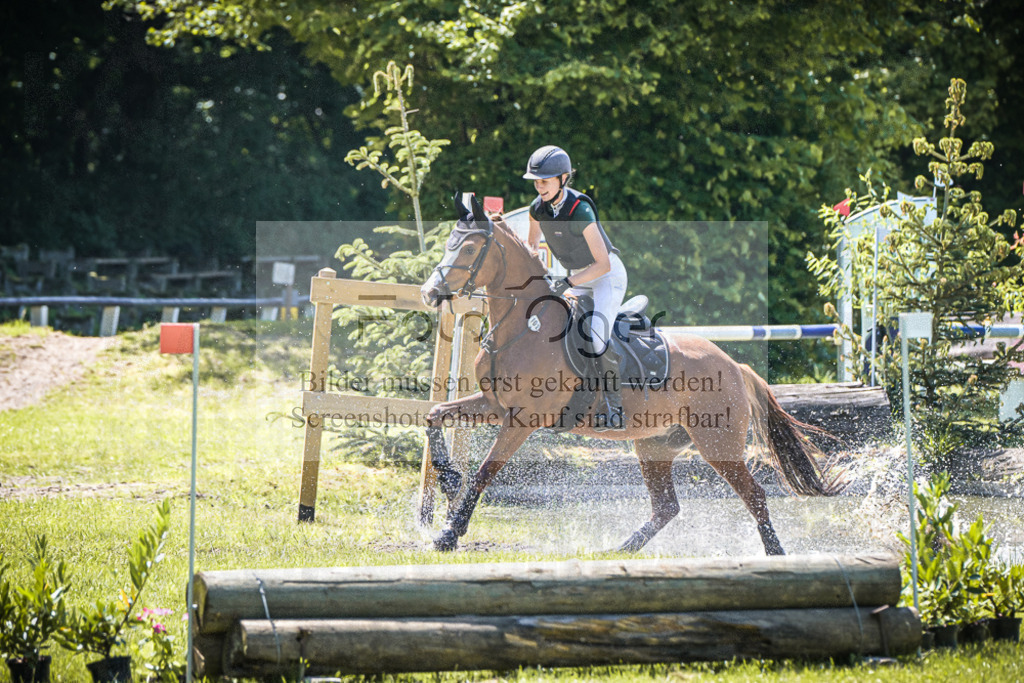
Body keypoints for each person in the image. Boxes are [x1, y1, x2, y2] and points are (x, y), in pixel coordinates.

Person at [522, 145, 628, 431]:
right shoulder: (536, 209)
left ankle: (615, 409)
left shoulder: (580, 210)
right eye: (536, 181)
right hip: (578, 277)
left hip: (606, 277)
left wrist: (568, 282)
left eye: (545, 181)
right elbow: (532, 248)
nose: (539, 187)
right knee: (554, 323)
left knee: (596, 337)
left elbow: (603, 264)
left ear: (563, 178)